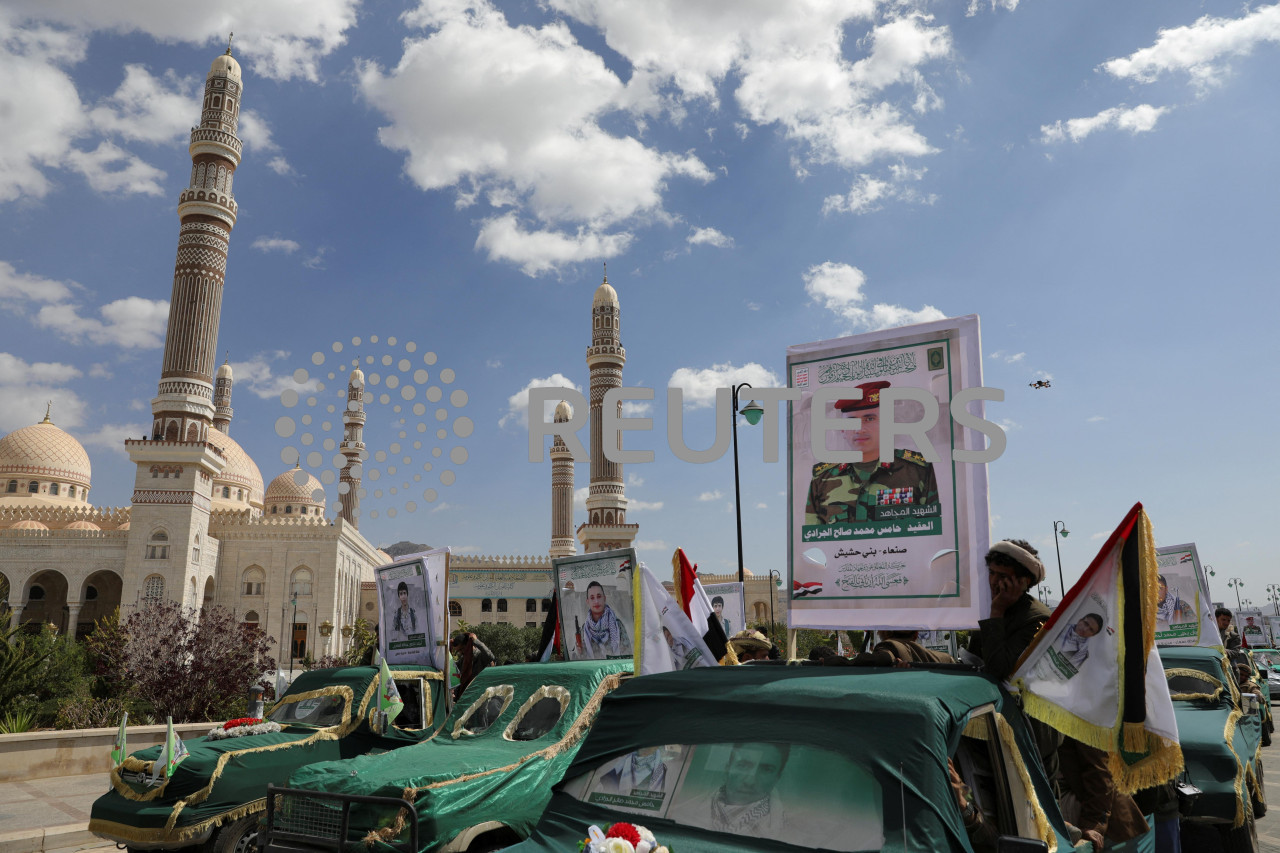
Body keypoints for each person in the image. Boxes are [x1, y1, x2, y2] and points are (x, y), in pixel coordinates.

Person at [804, 380, 939, 525]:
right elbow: (814, 541)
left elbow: (931, 532)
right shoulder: (822, 479)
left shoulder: (918, 471)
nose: (859, 429)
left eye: (869, 419)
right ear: (842, 429)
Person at [669, 743, 790, 837]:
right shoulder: (677, 813)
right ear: (728, 768)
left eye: (766, 769)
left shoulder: (796, 833)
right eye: (743, 765)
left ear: (777, 777)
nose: (750, 781)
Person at [840, 630, 954, 667]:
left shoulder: (889, 646)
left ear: (884, 633)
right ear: (916, 635)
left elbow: (882, 658)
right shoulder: (946, 659)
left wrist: (829, 661)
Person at [580, 580, 630, 658]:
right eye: (592, 598)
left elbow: (627, 653)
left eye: (599, 596)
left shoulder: (617, 625)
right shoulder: (585, 629)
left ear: (604, 598)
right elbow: (582, 659)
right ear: (588, 601)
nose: (596, 601)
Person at [597, 746, 675, 795]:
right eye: (643, 745)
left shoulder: (664, 771)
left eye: (650, 745)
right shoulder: (620, 766)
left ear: (657, 747)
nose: (645, 748)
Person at [449, 632, 495, 700]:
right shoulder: (463, 661)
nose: (460, 652)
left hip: (481, 697)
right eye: (458, 651)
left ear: (468, 645)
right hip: (467, 696)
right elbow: (452, 668)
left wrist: (476, 641)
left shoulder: (480, 656)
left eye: (462, 649)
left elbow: (490, 656)